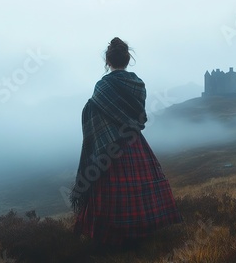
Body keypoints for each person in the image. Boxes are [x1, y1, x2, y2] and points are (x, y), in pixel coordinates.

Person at [70, 37, 182, 246]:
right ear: (128, 59)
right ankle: (143, 233)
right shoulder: (137, 84)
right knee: (140, 189)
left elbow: (95, 115)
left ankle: (111, 239)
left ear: (108, 61)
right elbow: (136, 115)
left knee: (111, 192)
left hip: (109, 149)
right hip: (133, 143)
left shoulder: (103, 86)